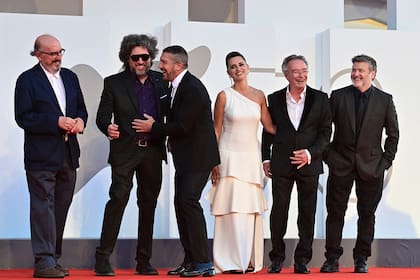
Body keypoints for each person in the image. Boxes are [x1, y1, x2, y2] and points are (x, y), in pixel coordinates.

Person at [136, 45, 220, 277]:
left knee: (188, 203)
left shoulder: (192, 88)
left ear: (178, 65)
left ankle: (203, 262)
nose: (159, 66)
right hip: (187, 158)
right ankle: (192, 260)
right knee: (182, 205)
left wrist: (153, 127)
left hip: (198, 158)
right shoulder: (176, 86)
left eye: (163, 62)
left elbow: (183, 126)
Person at [14, 34, 88, 278]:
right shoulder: (27, 80)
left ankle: (53, 258)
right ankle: (43, 262)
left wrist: (79, 121)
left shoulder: (70, 77)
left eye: (60, 52)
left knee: (60, 208)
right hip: (41, 157)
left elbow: (81, 110)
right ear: (38, 55)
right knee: (42, 208)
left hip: (68, 154)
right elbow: (23, 117)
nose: (58, 57)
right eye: (52, 53)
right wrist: (55, 121)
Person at [94, 34, 168, 276]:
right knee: (117, 201)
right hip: (125, 151)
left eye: (145, 57)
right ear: (127, 58)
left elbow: (171, 114)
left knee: (148, 206)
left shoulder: (161, 81)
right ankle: (103, 257)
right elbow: (102, 116)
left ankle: (143, 260)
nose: (140, 61)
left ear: (151, 58)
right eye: (135, 57)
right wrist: (108, 127)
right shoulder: (113, 82)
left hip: (153, 152)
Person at [320, 54, 399, 274]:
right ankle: (331, 258)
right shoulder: (337, 96)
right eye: (354, 70)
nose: (355, 73)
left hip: (372, 167)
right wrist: (329, 157)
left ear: (372, 74)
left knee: (367, 214)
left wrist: (384, 162)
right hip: (340, 164)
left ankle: (361, 258)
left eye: (360, 70)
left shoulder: (385, 100)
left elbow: (393, 134)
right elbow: (325, 130)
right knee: (335, 213)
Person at [262, 54, 332, 274]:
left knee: (307, 213)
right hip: (281, 163)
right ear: (286, 74)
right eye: (296, 71)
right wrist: (266, 157)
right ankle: (277, 258)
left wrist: (310, 154)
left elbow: (325, 132)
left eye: (304, 70)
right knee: (279, 212)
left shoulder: (321, 99)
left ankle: (302, 260)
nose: (301, 75)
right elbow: (267, 131)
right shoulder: (273, 99)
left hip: (308, 164)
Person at [207, 51, 275, 274]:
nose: (238, 69)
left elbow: (270, 127)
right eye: (233, 66)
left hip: (250, 159)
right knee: (229, 210)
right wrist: (213, 161)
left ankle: (246, 260)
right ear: (228, 72)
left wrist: (300, 133)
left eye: (241, 64)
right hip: (227, 158)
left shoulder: (259, 96)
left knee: (247, 210)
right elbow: (216, 130)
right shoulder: (224, 96)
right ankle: (227, 261)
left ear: (248, 67)